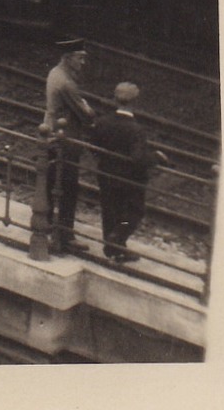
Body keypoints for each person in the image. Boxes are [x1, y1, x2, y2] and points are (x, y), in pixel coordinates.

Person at [90, 83, 168, 263]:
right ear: (135, 103)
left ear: (115, 99)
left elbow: (94, 147)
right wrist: (156, 157)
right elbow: (138, 158)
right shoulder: (136, 129)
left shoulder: (102, 122)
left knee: (110, 210)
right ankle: (117, 239)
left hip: (106, 174)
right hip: (128, 179)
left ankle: (114, 249)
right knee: (134, 211)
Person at [40, 38, 97, 252]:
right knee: (68, 186)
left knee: (51, 182)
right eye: (80, 58)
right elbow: (85, 115)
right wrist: (88, 110)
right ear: (68, 57)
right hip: (65, 140)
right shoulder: (66, 82)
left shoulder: (56, 73)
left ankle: (45, 226)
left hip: (52, 134)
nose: (83, 62)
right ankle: (65, 235)